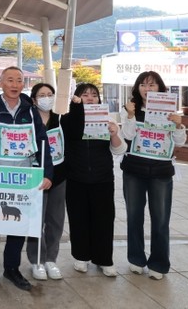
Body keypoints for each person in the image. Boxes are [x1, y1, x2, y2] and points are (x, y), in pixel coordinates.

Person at [0, 67, 52, 293]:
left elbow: (42, 141)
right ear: (1, 83)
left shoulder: (30, 110)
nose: (15, 84)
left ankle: (12, 268)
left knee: (18, 224)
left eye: (19, 80)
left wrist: (47, 173)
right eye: (10, 80)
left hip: (22, 176)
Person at [120, 71, 187, 280]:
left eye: (152, 85)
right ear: (137, 88)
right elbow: (127, 136)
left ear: (160, 88)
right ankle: (136, 259)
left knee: (160, 218)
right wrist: (130, 115)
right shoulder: (129, 109)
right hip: (134, 171)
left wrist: (178, 124)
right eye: (143, 85)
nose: (147, 89)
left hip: (161, 172)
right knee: (134, 216)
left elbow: (180, 142)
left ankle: (159, 263)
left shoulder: (170, 111)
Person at [60, 83, 126, 277]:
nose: (90, 98)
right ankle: (81, 256)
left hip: (102, 178)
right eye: (85, 95)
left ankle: (104, 259)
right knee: (78, 218)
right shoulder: (67, 119)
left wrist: (114, 134)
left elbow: (119, 150)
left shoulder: (108, 119)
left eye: (94, 95)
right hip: (75, 177)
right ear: (77, 98)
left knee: (104, 219)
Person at [25, 83, 66, 280]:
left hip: (59, 175)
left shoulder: (61, 119)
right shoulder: (28, 120)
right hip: (36, 176)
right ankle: (37, 260)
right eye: (42, 95)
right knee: (36, 220)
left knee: (55, 220)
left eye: (50, 94)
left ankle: (51, 259)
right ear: (34, 100)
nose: (46, 98)